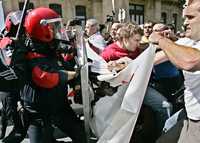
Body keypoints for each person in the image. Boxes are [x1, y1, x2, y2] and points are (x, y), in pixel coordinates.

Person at [8, 7, 86, 143]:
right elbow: (44, 77)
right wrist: (73, 74)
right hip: (37, 112)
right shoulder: (28, 53)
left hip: (60, 105)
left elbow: (65, 65)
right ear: (42, 28)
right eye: (53, 26)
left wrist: (77, 85)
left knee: (80, 135)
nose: (57, 29)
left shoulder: (51, 48)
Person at [149, 0, 200, 142]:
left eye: (190, 17)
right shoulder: (189, 41)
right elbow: (152, 59)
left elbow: (190, 61)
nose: (184, 23)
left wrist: (161, 40)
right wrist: (127, 64)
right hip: (189, 112)